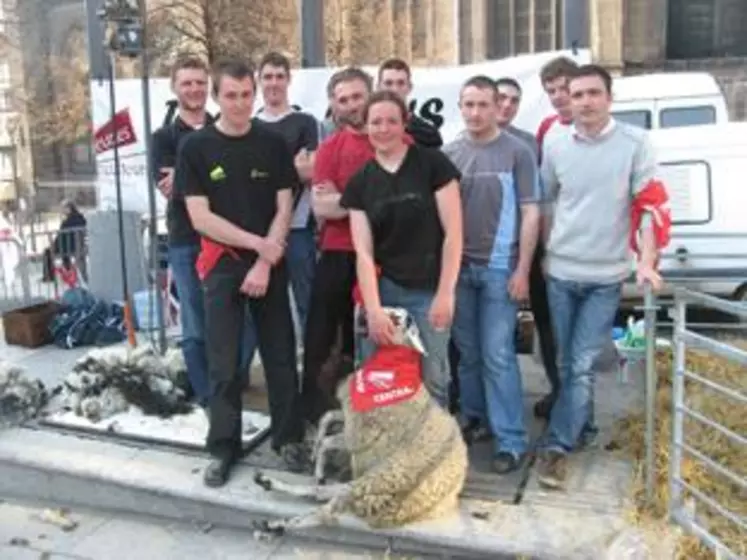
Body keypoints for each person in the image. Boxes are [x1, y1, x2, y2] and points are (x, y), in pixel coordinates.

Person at [176, 57, 306, 487]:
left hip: (269, 265)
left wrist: (266, 261)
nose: (239, 103)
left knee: (281, 356)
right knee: (224, 363)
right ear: (216, 97)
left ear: (255, 94)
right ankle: (223, 446)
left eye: (246, 94)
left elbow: (285, 206)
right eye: (230, 95)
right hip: (222, 267)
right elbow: (199, 217)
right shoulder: (195, 148)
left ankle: (288, 438)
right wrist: (257, 247)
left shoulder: (271, 143)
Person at [536, 64, 664, 490]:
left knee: (579, 364)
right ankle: (583, 428)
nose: (585, 102)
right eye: (577, 95)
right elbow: (547, 203)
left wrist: (646, 261)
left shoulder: (635, 144)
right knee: (564, 362)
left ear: (610, 98)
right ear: (568, 101)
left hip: (605, 276)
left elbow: (649, 206)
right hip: (560, 271)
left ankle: (557, 447)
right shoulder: (555, 145)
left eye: (593, 93)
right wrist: (539, 257)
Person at [340, 90, 462, 409]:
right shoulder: (360, 183)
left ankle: (437, 453)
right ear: (366, 127)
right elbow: (363, 253)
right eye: (375, 122)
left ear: (404, 124)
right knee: (382, 378)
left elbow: (454, 234)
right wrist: (374, 309)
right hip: (384, 290)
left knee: (433, 377)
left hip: (429, 291)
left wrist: (446, 293)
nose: (383, 128)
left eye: (391, 121)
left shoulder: (433, 164)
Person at [443, 76, 540, 474]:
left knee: (498, 355)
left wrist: (522, 270)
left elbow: (532, 211)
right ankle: (475, 419)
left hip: (500, 269)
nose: (476, 112)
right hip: (460, 270)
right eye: (468, 104)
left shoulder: (518, 152)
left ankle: (512, 440)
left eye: (483, 104)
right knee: (467, 354)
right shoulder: (449, 154)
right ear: (460, 106)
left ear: (496, 106)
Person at [300, 67, 376, 424]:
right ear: (333, 105)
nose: (351, 105)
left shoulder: (396, 140)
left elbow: (404, 203)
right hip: (336, 252)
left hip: (384, 255)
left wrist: (343, 200)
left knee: (380, 339)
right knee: (321, 336)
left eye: (357, 96)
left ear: (371, 95)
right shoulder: (329, 148)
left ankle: (377, 412)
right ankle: (314, 412)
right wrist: (372, 199)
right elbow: (321, 207)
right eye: (342, 100)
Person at [255, 51, 319, 335]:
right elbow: (246, 179)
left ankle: (312, 369)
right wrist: (292, 167)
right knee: (265, 304)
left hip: (298, 228)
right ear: (259, 81)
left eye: (280, 76)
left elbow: (313, 170)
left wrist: (267, 172)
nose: (274, 83)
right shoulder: (251, 124)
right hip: (257, 230)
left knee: (308, 302)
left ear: (288, 80)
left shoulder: (305, 122)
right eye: (268, 76)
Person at [376, 58, 443, 148]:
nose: (395, 89)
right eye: (388, 83)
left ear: (410, 87)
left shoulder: (428, 135)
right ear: (378, 87)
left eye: (400, 83)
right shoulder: (367, 130)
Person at [536, 56, 578, 157]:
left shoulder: (596, 124)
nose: (557, 96)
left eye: (564, 89)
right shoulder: (546, 126)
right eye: (551, 91)